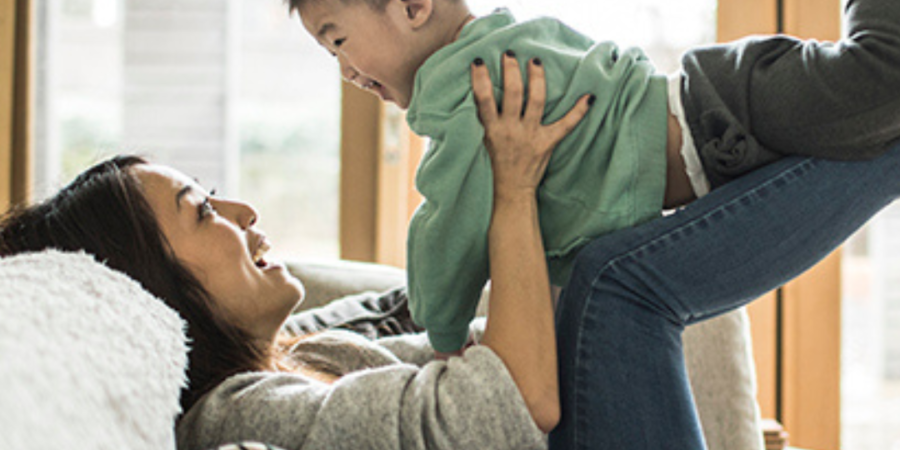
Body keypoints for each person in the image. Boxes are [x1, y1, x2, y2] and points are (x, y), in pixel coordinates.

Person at [0, 49, 897, 450]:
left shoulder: (306, 351)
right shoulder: (241, 416)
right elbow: (514, 402)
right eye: (201, 213)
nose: (240, 208)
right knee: (616, 284)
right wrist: (508, 189)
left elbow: (467, 335)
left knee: (604, 265)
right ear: (161, 291)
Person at [288, 0, 900, 354]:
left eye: (338, 40)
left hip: (724, 114)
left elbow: (446, 227)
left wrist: (436, 327)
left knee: (882, 74)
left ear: (413, 5)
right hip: (720, 111)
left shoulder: (465, 93)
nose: (344, 69)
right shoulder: (498, 39)